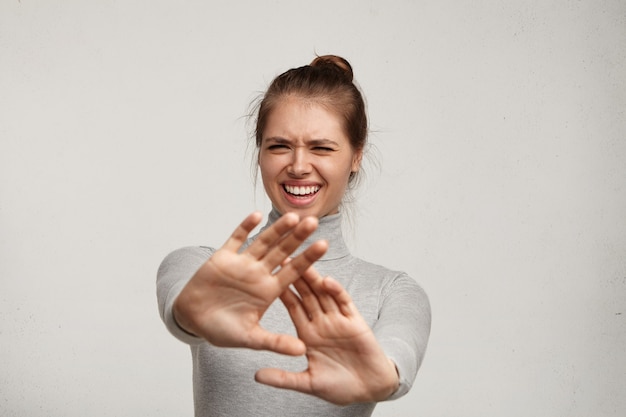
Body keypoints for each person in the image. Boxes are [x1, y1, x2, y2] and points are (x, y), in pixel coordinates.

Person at [156, 55, 431, 417]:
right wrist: (192, 316)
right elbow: (183, 308)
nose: (299, 166)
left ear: (356, 157)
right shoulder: (200, 265)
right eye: (279, 146)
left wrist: (381, 376)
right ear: (260, 156)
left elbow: (398, 359)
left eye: (321, 147)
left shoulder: (393, 291)